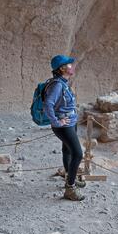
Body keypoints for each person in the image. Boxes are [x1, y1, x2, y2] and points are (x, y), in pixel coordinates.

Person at [44, 55, 86, 201]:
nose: (72, 66)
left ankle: (70, 178)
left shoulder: (63, 82)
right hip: (64, 126)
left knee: (67, 151)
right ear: (62, 68)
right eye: (69, 64)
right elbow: (48, 104)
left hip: (70, 123)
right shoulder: (57, 85)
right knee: (78, 154)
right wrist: (56, 122)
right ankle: (70, 189)